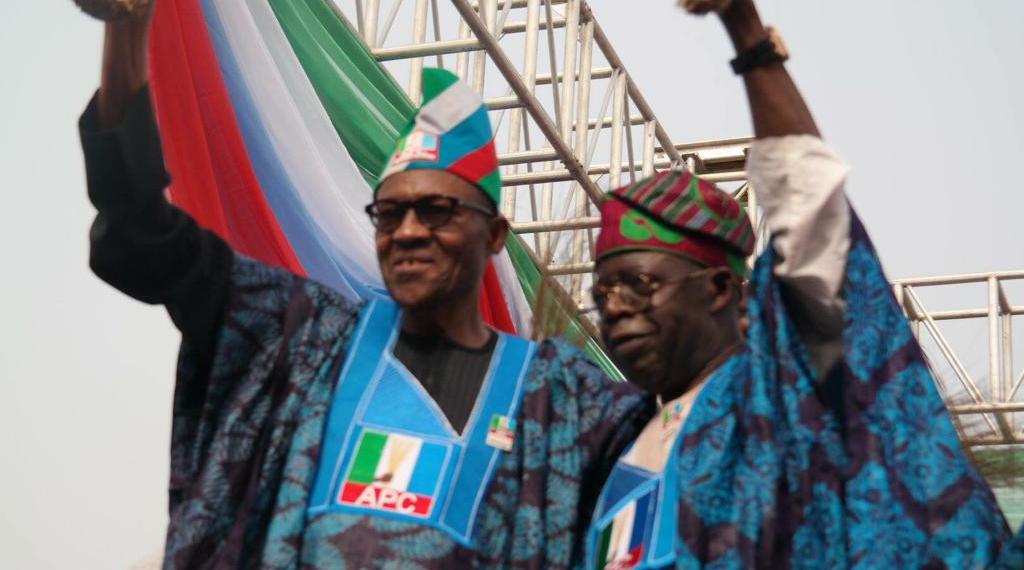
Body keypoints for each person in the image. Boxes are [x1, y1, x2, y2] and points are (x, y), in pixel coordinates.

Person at [79, 5, 653, 568]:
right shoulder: (299, 340)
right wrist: (128, 27)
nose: (408, 232)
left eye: (436, 211)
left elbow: (687, 452)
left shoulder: (559, 398)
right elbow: (142, 231)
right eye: (389, 213)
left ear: (496, 234)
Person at [584, 0, 1024, 568]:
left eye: (638, 285)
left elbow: (810, 212)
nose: (615, 307)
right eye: (603, 293)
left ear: (719, 289)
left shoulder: (785, 398)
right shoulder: (609, 446)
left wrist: (748, 37)